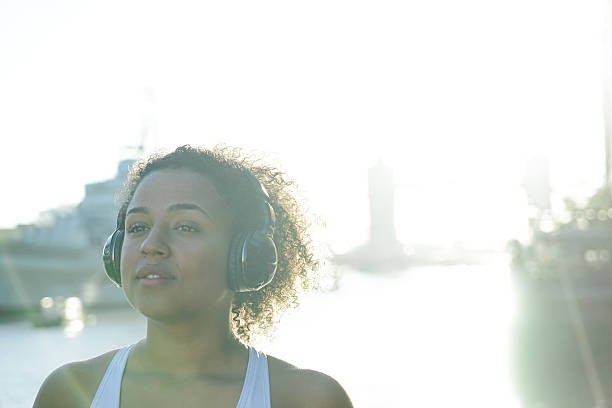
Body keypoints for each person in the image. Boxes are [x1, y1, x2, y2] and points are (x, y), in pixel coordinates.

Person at [33, 145, 353, 408]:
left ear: (245, 256)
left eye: (186, 226)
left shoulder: (309, 399)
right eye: (138, 227)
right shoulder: (68, 393)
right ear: (115, 252)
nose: (151, 245)